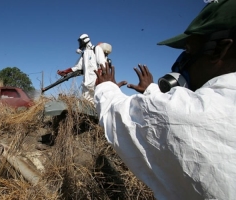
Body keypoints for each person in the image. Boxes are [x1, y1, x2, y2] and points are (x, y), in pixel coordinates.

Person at [94, 1, 236, 199]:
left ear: (219, 50)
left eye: (188, 50)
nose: (181, 60)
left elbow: (119, 117)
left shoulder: (199, 112)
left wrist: (105, 86)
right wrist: (152, 91)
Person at [57, 34, 109, 103]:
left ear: (85, 40)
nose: (80, 44)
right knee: (86, 104)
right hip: (86, 84)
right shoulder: (84, 54)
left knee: (98, 103)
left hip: (96, 83)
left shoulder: (96, 49)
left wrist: (99, 79)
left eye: (80, 41)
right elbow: (77, 67)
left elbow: (103, 64)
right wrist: (65, 71)